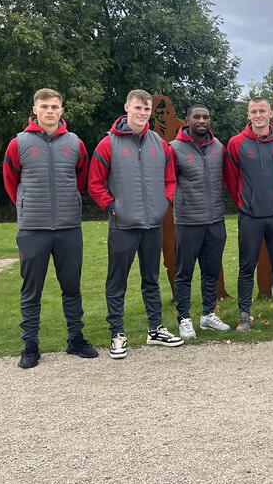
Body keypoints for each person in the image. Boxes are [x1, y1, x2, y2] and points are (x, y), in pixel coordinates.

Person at [2, 88, 96, 368]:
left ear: (62, 111)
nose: (50, 111)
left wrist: (68, 203)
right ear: (35, 110)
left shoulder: (75, 143)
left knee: (72, 287)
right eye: (45, 106)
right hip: (33, 227)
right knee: (32, 289)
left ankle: (76, 339)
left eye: (55, 106)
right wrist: (26, 205)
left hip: (68, 227)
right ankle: (30, 345)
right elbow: (11, 181)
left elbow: (80, 179)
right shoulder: (18, 144)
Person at [89, 89, 182, 359]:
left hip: (152, 223)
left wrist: (164, 202)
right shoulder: (108, 144)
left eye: (147, 109)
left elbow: (170, 179)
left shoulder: (160, 144)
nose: (142, 113)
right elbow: (95, 184)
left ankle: (155, 329)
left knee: (151, 278)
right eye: (138, 108)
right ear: (127, 108)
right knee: (117, 281)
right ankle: (117, 333)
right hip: (123, 225)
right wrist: (113, 207)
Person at [224, 97, 273, 330]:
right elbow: (231, 177)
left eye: (262, 111)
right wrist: (244, 201)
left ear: (270, 114)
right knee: (247, 267)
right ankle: (244, 315)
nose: (258, 115)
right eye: (254, 111)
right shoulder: (236, 143)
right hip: (250, 215)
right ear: (248, 115)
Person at [168, 104, 231, 337]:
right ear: (188, 120)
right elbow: (169, 181)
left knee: (211, 270)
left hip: (215, 219)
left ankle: (207, 315)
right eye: (197, 116)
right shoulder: (174, 148)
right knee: (184, 272)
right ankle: (184, 318)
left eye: (205, 116)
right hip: (188, 220)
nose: (202, 120)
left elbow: (222, 179)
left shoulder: (218, 147)